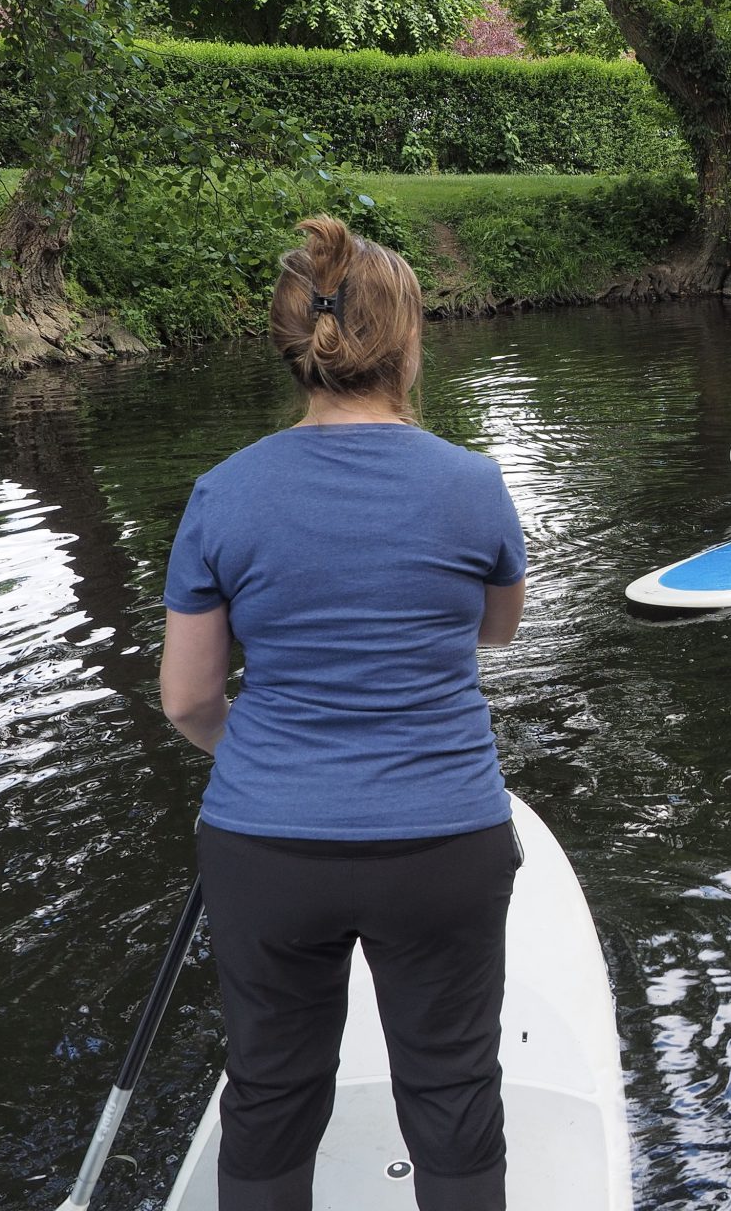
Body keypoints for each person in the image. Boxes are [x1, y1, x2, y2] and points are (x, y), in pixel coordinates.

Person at [160, 215, 526, 1211]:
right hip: (443, 839)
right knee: (453, 1099)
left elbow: (190, 700)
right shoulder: (474, 486)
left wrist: (266, 755)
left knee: (270, 1101)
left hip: (267, 848)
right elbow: (492, 635)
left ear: (293, 347)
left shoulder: (221, 494)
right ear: (407, 344)